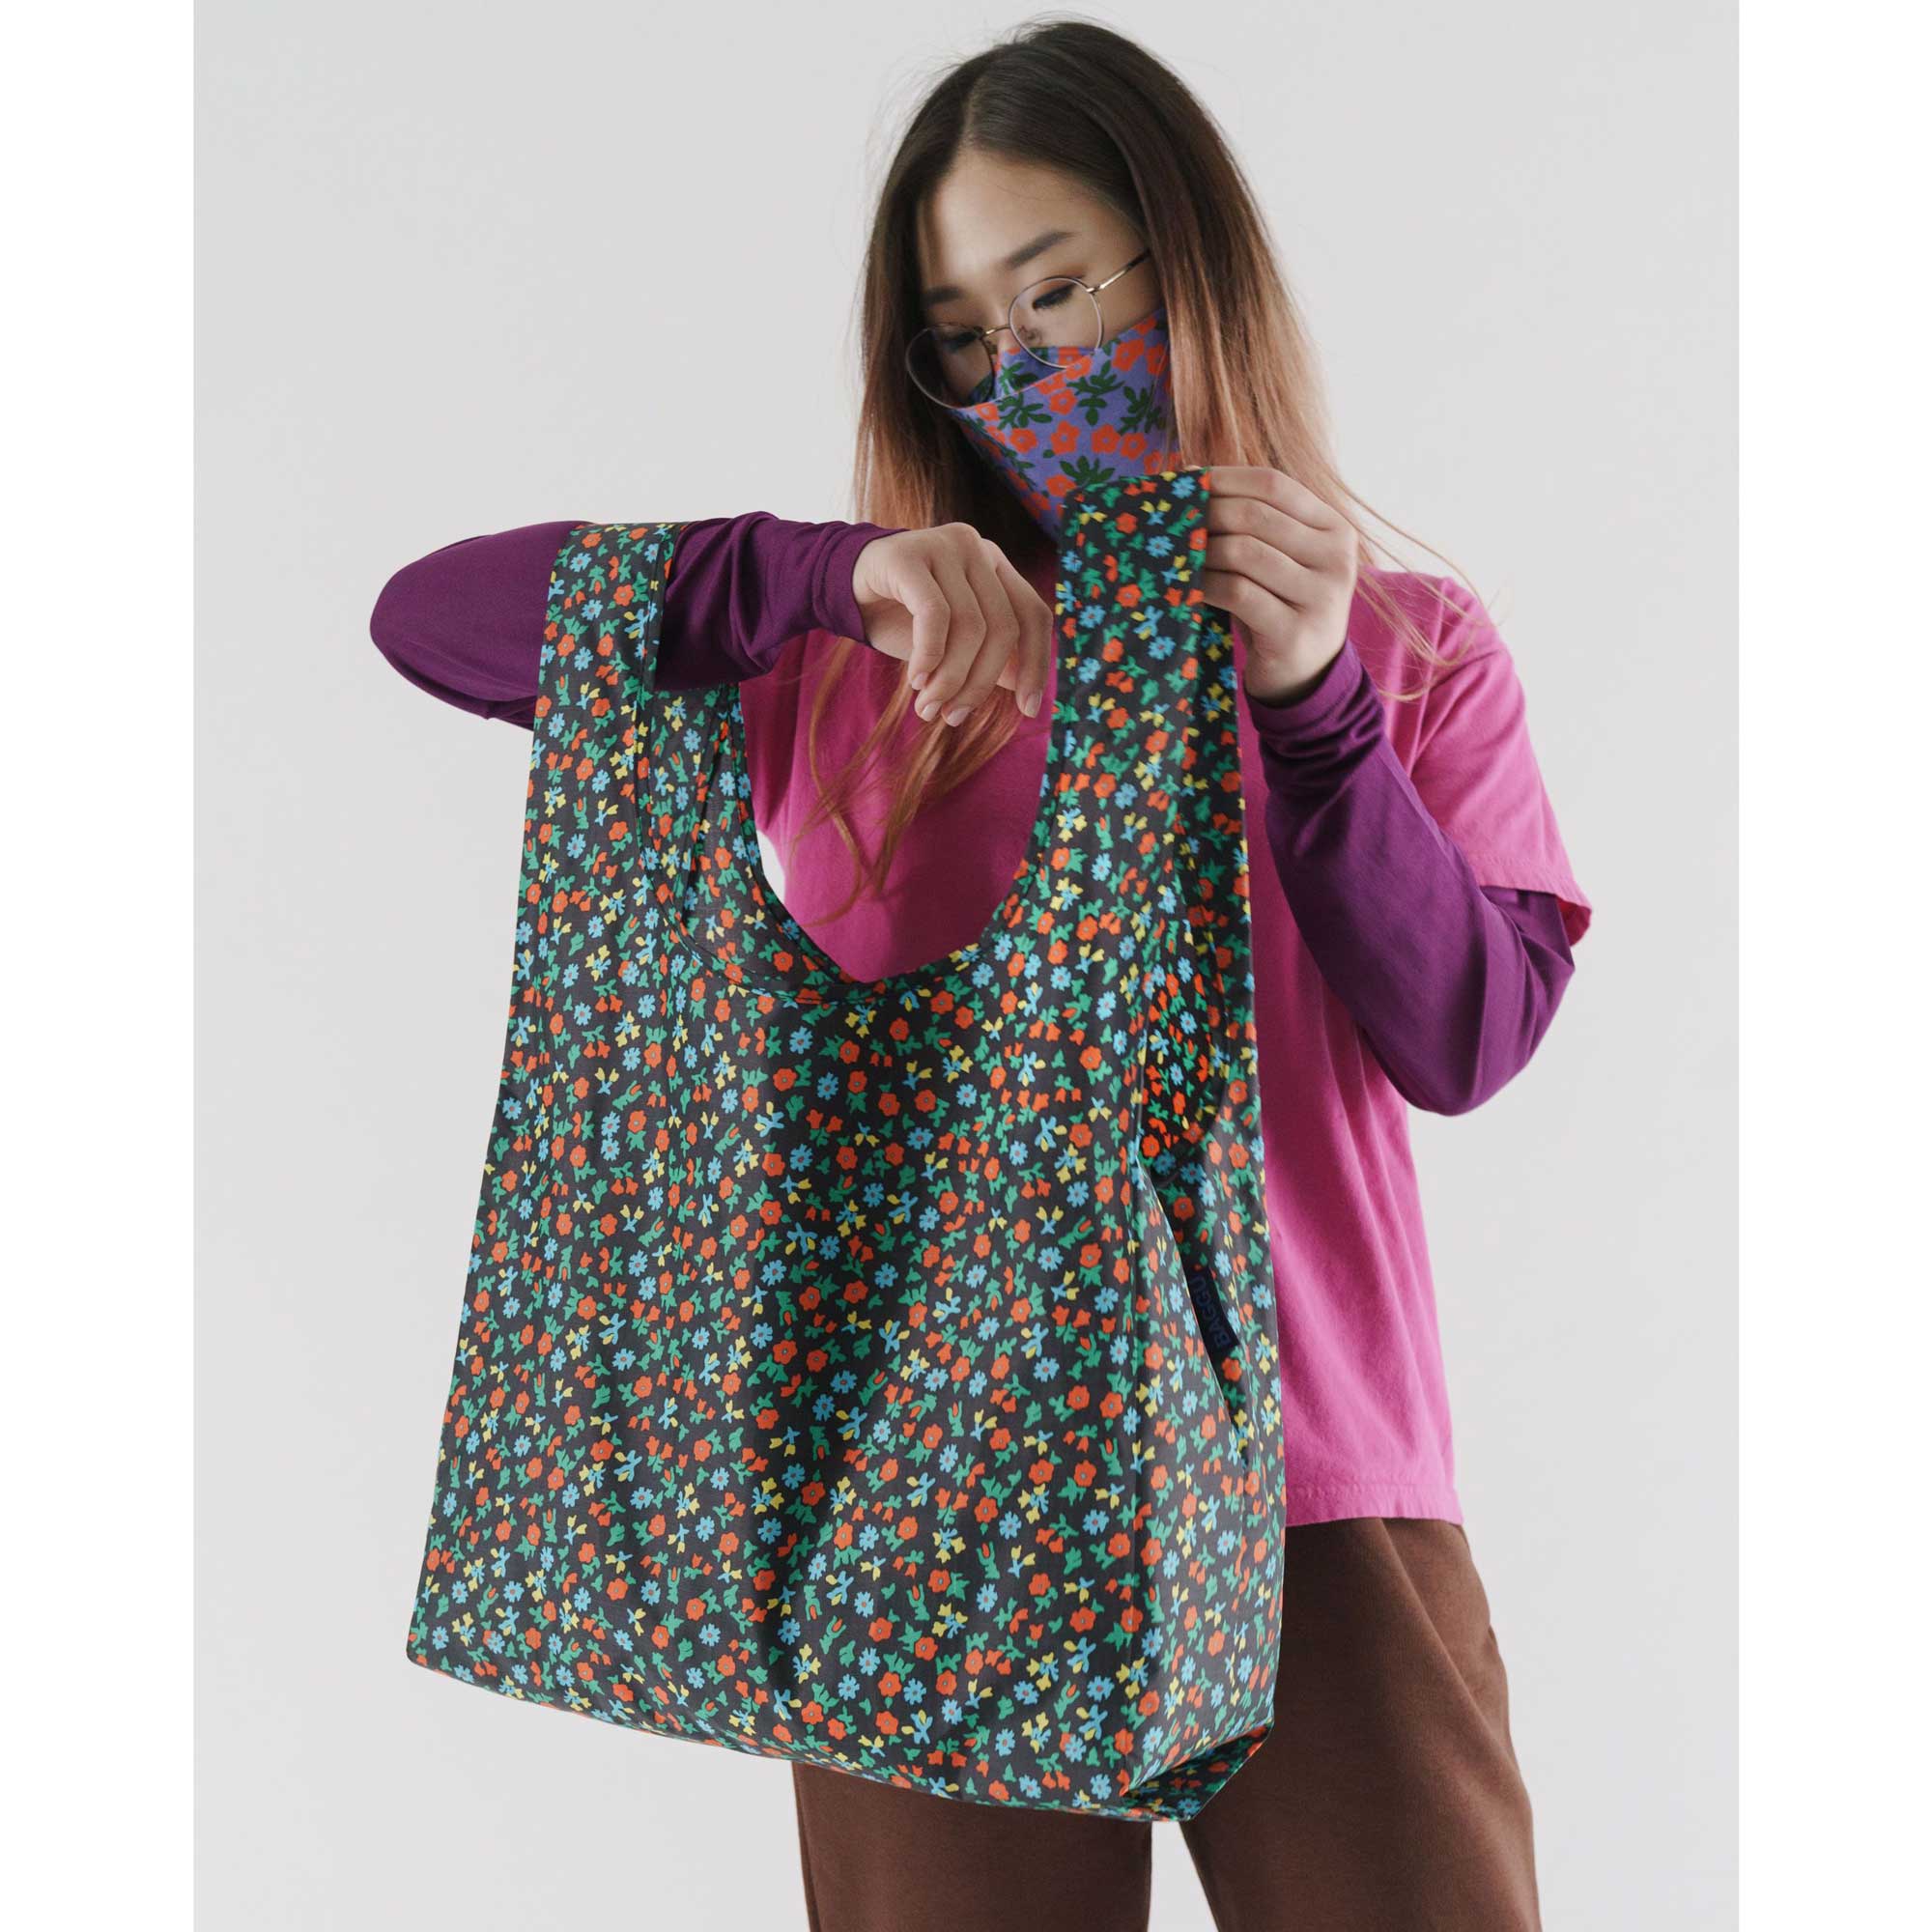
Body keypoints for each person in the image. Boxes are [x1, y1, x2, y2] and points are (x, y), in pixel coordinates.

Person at [370, 20, 1590, 1931]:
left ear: (1190, 266)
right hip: (919, 1487)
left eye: (1058, 288)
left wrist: (1314, 708)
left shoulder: (1405, 642)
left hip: (1312, 1477)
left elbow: (1468, 1034)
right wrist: (816, 574)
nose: (1021, 368)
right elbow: (427, 618)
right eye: (962, 331)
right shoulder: (876, 656)